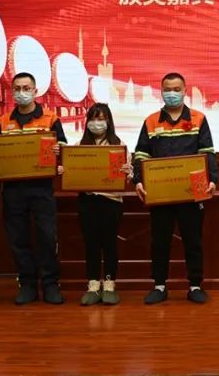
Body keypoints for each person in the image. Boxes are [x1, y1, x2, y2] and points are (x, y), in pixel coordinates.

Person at [132, 73, 218, 305]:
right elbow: (141, 154)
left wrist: (212, 179)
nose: (172, 93)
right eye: (167, 89)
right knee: (159, 241)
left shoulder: (198, 119)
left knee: (193, 240)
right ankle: (159, 286)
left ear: (184, 90)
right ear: (161, 91)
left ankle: (195, 285)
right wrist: (138, 180)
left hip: (191, 193)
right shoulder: (151, 121)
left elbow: (207, 151)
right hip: (160, 194)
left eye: (176, 89)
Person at [0, 72, 68, 305]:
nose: (21, 92)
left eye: (26, 88)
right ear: (11, 92)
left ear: (35, 91)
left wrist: (59, 150)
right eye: (17, 88)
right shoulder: (3, 122)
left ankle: (50, 284)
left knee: (47, 237)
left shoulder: (50, 119)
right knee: (19, 239)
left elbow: (63, 147)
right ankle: (27, 285)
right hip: (13, 190)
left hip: (41, 189)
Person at [75, 103, 132, 306]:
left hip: (111, 202)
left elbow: (128, 177)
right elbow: (73, 174)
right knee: (91, 244)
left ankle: (109, 285)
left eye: (101, 119)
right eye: (93, 119)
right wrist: (66, 171)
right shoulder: (78, 147)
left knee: (109, 244)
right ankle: (92, 285)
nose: (96, 123)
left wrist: (128, 171)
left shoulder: (119, 145)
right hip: (87, 202)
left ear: (108, 121)